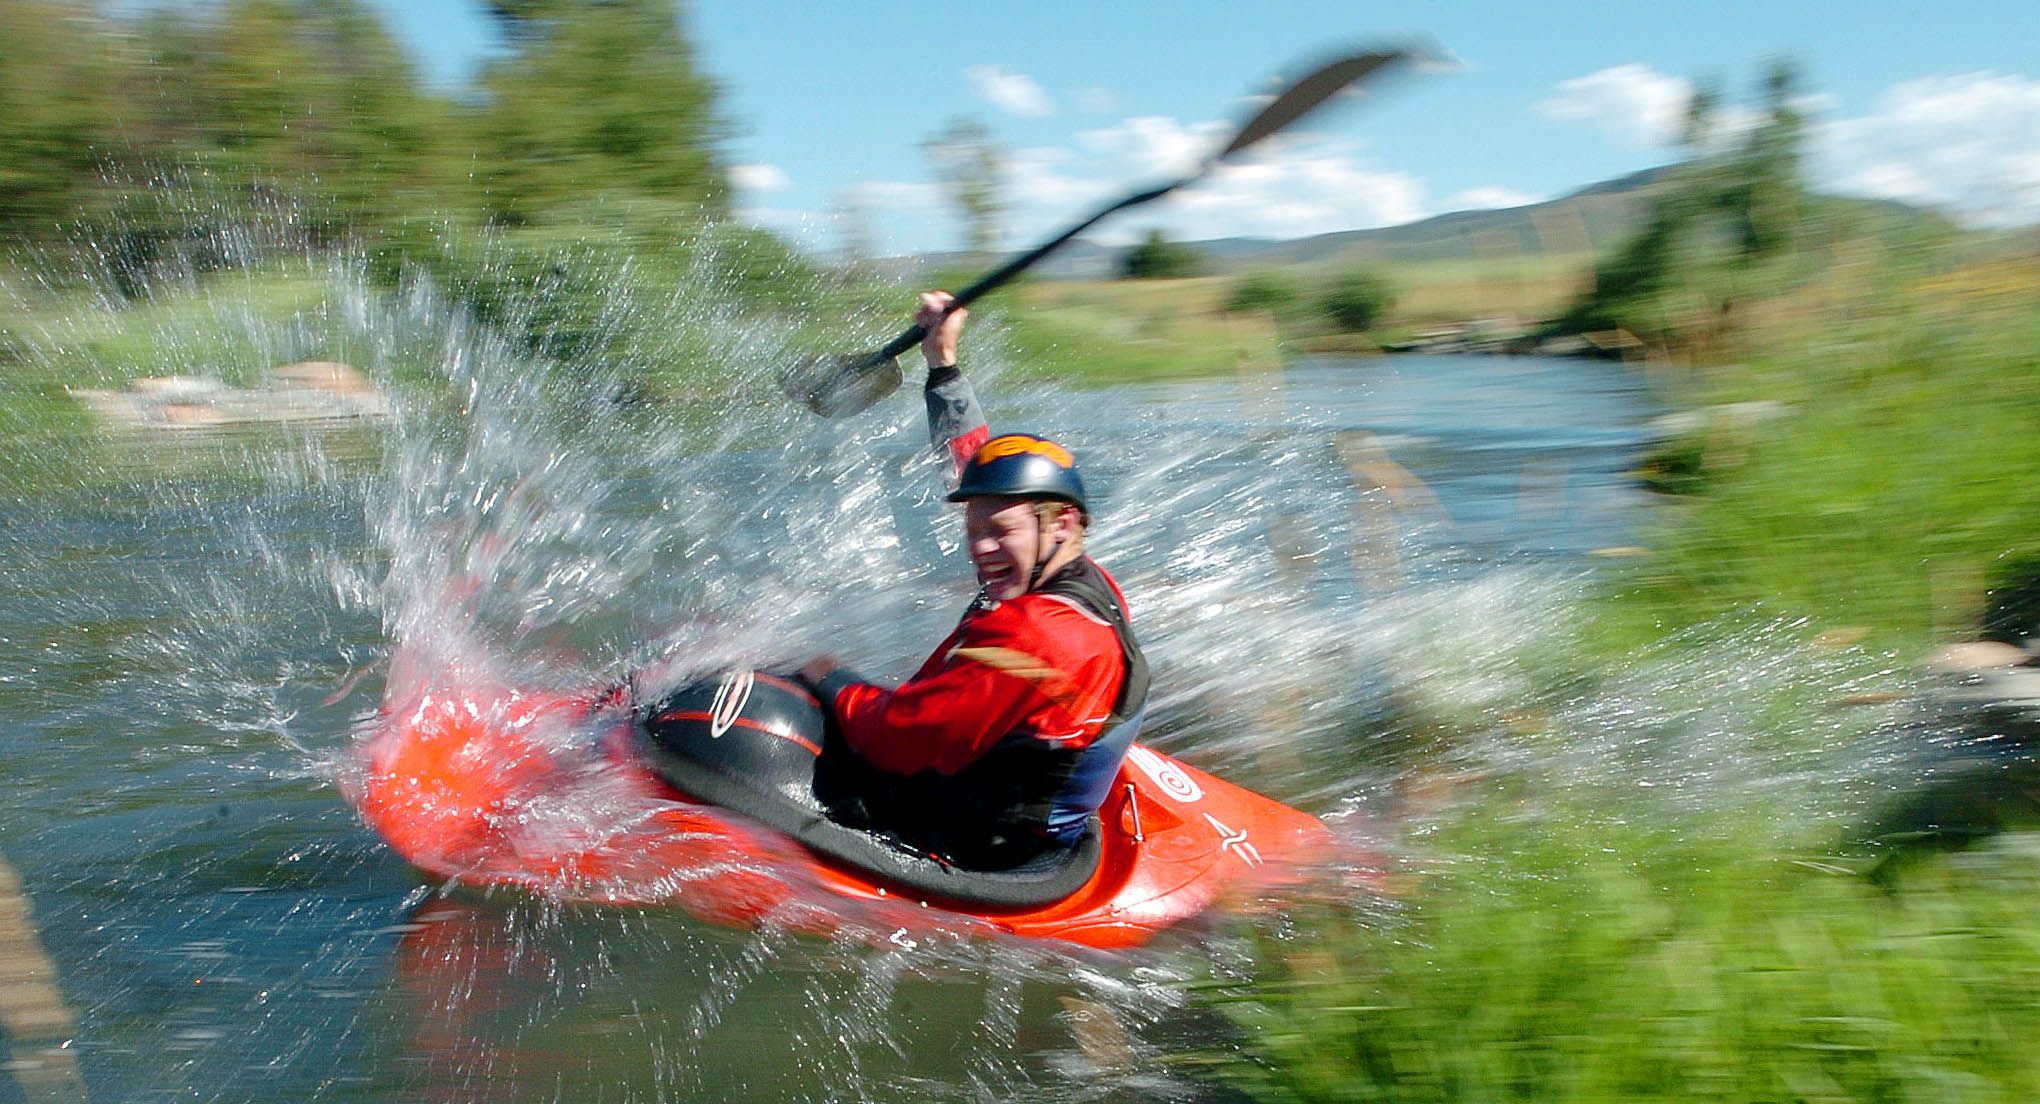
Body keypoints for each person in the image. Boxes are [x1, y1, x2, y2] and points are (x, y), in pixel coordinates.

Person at [799, 292, 1149, 870]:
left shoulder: (1039, 636)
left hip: (978, 843)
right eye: (972, 526)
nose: (979, 548)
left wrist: (825, 675)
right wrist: (943, 361)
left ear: (1060, 523)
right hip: (1021, 783)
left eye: (999, 531)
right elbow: (972, 465)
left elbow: (896, 739)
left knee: (783, 713)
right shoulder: (1077, 575)